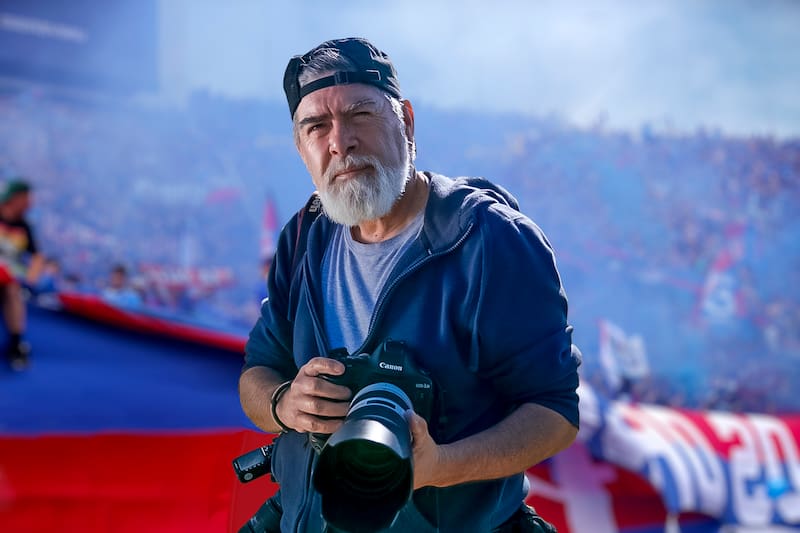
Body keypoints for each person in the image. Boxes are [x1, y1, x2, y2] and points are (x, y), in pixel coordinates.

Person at [239, 37, 580, 532]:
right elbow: (257, 372)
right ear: (301, 149)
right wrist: (283, 403)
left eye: (361, 115)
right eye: (317, 126)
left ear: (408, 123)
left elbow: (555, 412)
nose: (341, 142)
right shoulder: (304, 237)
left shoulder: (488, 241)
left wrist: (442, 466)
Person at [0, 178, 44, 370]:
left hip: (9, 280)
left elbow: (37, 257)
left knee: (12, 290)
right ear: (15, 198)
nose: (30, 203)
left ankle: (16, 344)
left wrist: (31, 279)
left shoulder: (24, 226)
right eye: (27, 198)